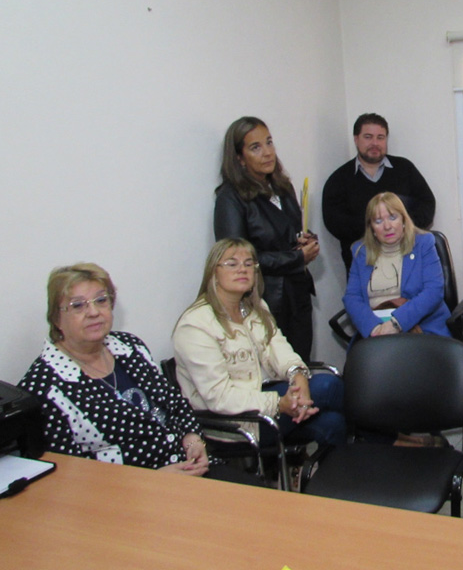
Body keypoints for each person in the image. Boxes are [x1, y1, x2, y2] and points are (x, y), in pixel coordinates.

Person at [18, 263, 259, 485]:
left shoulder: (129, 347)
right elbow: (66, 474)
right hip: (126, 493)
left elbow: (175, 403)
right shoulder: (44, 387)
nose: (93, 312)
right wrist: (152, 479)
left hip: (190, 468)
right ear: (56, 318)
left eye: (101, 300)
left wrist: (193, 439)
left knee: (260, 501)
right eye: (78, 305)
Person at [173, 239, 346, 451]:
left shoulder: (256, 309)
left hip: (266, 402)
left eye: (249, 264)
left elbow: (281, 351)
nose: (242, 269)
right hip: (233, 423)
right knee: (329, 387)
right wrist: (278, 404)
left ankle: (341, 469)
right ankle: (377, 443)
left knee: (333, 423)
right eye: (232, 264)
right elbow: (220, 398)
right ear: (213, 272)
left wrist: (299, 378)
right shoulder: (195, 324)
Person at [214, 116, 317, 361]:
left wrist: (307, 241)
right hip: (264, 300)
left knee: (300, 365)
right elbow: (236, 259)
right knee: (275, 368)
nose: (267, 152)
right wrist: (295, 258)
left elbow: (290, 233)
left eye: (269, 142)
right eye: (255, 147)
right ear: (239, 158)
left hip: (297, 294)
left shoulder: (283, 187)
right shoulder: (231, 198)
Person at [322, 113, 436, 273]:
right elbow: (334, 223)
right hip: (363, 267)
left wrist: (401, 229)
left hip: (409, 262)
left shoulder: (405, 169)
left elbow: (427, 204)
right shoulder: (338, 180)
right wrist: (376, 231)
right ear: (356, 139)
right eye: (368, 137)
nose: (375, 143)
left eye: (380, 137)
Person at [343, 192, 451, 339]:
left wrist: (396, 323)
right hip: (375, 331)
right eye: (378, 221)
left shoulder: (423, 243)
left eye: (393, 218)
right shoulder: (360, 252)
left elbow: (433, 291)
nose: (387, 226)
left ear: (404, 220)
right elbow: (352, 297)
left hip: (420, 327)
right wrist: (373, 327)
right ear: (371, 228)